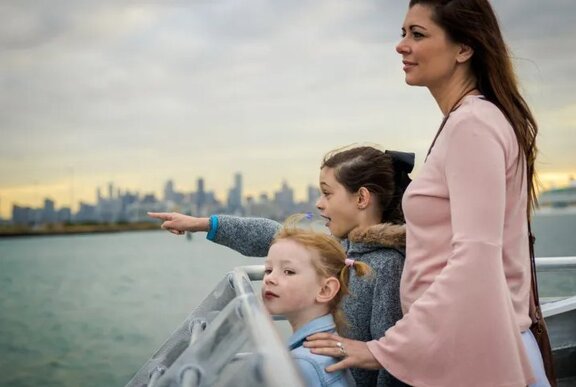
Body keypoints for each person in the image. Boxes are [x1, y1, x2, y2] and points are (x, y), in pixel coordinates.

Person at [303, 1, 549, 386]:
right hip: (464, 346)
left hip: (474, 355)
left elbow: (475, 259)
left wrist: (381, 349)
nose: (401, 46)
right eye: (403, 33)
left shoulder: (473, 125)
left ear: (464, 48)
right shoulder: (470, 121)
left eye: (417, 34)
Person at [148, 145, 414, 387]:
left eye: (327, 193)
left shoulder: (387, 264)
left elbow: (394, 360)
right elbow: (275, 235)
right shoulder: (339, 248)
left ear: (361, 198)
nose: (319, 203)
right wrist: (203, 223)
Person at [262, 217, 371, 386]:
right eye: (268, 270)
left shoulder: (303, 364)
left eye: (288, 271)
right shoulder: (330, 343)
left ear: (325, 290)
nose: (270, 279)